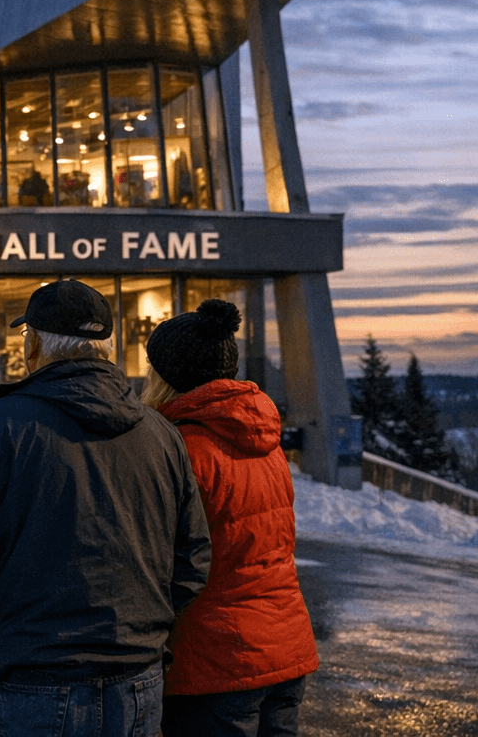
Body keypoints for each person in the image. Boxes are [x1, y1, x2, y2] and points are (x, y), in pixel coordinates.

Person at [0, 279, 212, 737]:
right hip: (136, 687)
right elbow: (192, 558)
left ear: (32, 348)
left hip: (20, 684)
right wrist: (138, 633)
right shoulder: (161, 434)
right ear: (105, 349)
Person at [142, 299, 320, 737]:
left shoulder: (180, 450)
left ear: (168, 376)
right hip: (282, 648)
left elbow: (164, 563)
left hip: (215, 661)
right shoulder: (264, 442)